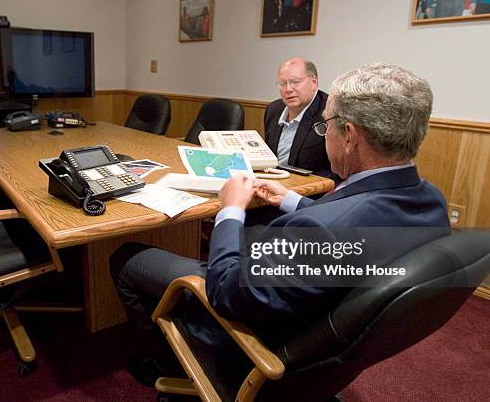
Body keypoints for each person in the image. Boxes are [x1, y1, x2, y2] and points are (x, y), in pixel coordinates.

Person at [110, 63, 450, 386]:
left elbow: (226, 290)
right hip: (323, 317)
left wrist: (231, 210)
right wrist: (290, 200)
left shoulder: (322, 233)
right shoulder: (431, 201)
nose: (324, 132)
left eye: (326, 124)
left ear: (348, 135)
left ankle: (163, 361)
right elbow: (355, 225)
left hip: (264, 343)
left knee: (126, 258)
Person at [264, 57, 333, 178]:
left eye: (295, 82)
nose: (288, 89)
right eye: (283, 84)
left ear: (314, 82)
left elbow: (334, 170)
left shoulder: (330, 112)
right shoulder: (273, 109)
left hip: (312, 190)